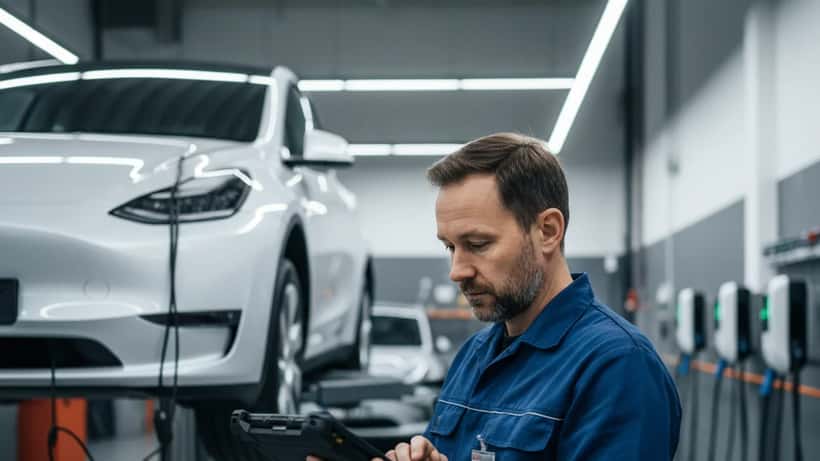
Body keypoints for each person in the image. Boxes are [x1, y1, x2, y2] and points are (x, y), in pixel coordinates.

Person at [312, 133, 681, 461]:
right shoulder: (475, 356)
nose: (457, 270)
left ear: (547, 231)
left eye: (477, 244)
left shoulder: (617, 365)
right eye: (450, 247)